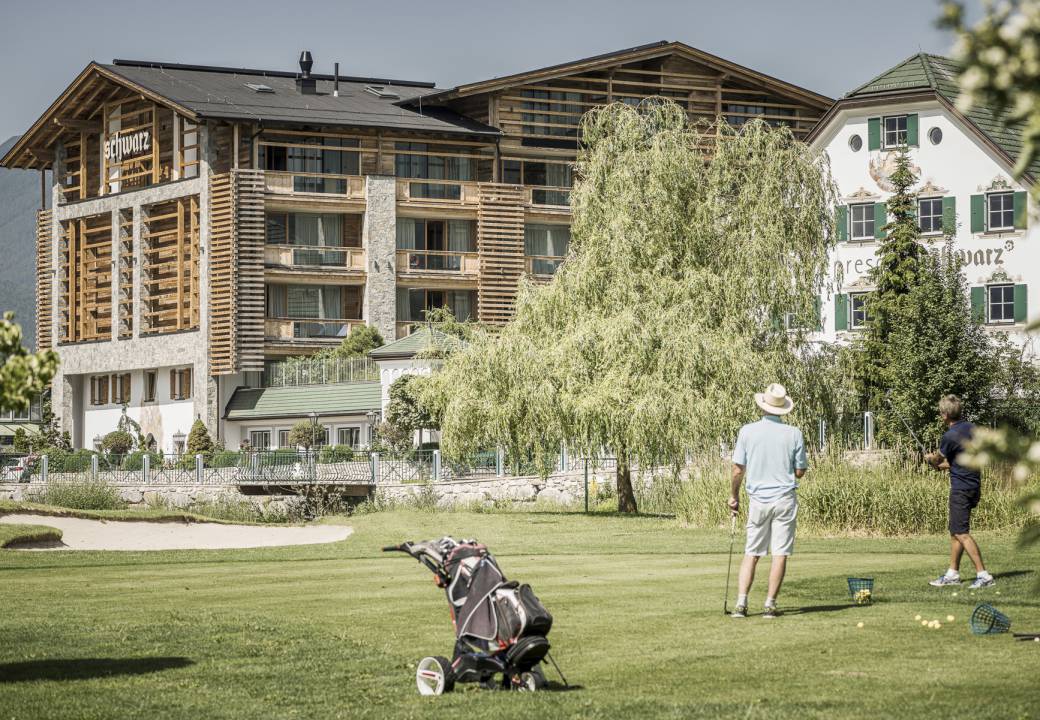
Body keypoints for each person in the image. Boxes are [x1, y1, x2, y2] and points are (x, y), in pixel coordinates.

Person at [728, 383, 807, 619]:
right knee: (780, 553)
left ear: (762, 406)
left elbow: (737, 470)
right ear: (783, 409)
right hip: (784, 499)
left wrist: (734, 496)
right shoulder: (794, 433)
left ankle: (741, 604)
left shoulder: (747, 431)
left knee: (752, 551)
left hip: (758, 501)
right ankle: (770, 605)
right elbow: (800, 471)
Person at [925, 394, 994, 589]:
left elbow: (938, 460)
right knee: (955, 532)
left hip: (961, 489)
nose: (940, 415)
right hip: (973, 485)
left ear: (945, 415)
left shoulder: (949, 435)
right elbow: (957, 462)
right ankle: (952, 573)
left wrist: (930, 459)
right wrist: (942, 465)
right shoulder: (972, 428)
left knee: (961, 532)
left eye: (941, 413)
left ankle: (983, 575)